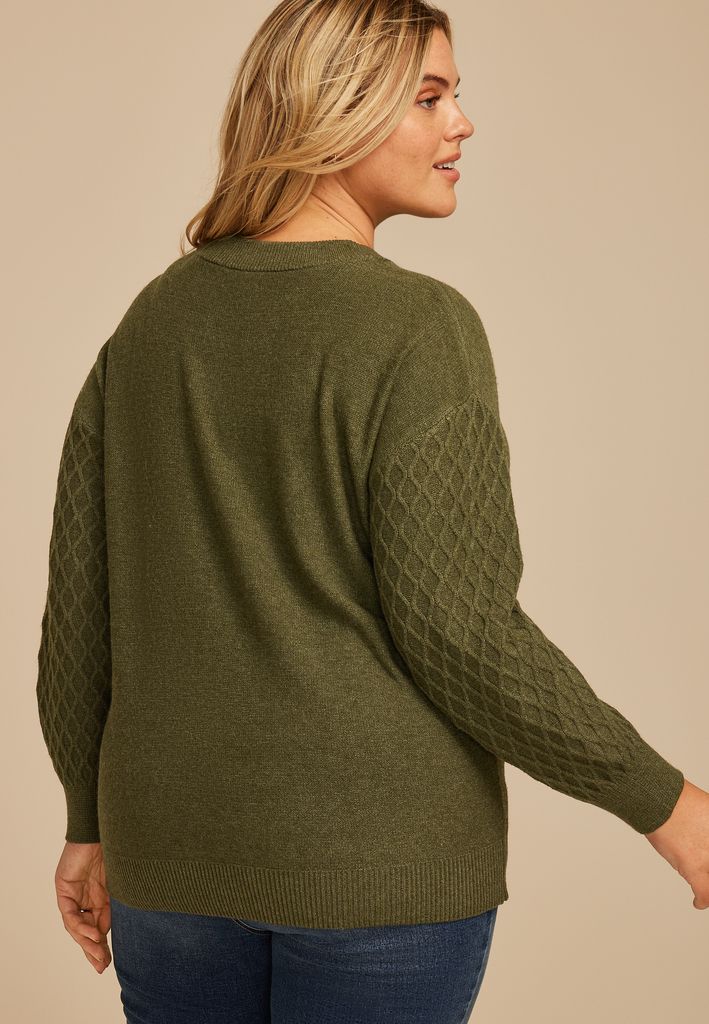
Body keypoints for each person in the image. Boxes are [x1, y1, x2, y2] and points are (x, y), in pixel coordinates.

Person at [35, 1, 708, 1021]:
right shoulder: (416, 326)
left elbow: (79, 619)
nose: (461, 124)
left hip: (166, 859)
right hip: (378, 870)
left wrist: (87, 821)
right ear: (332, 108)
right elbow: (462, 632)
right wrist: (667, 805)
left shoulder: (152, 321)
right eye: (429, 97)